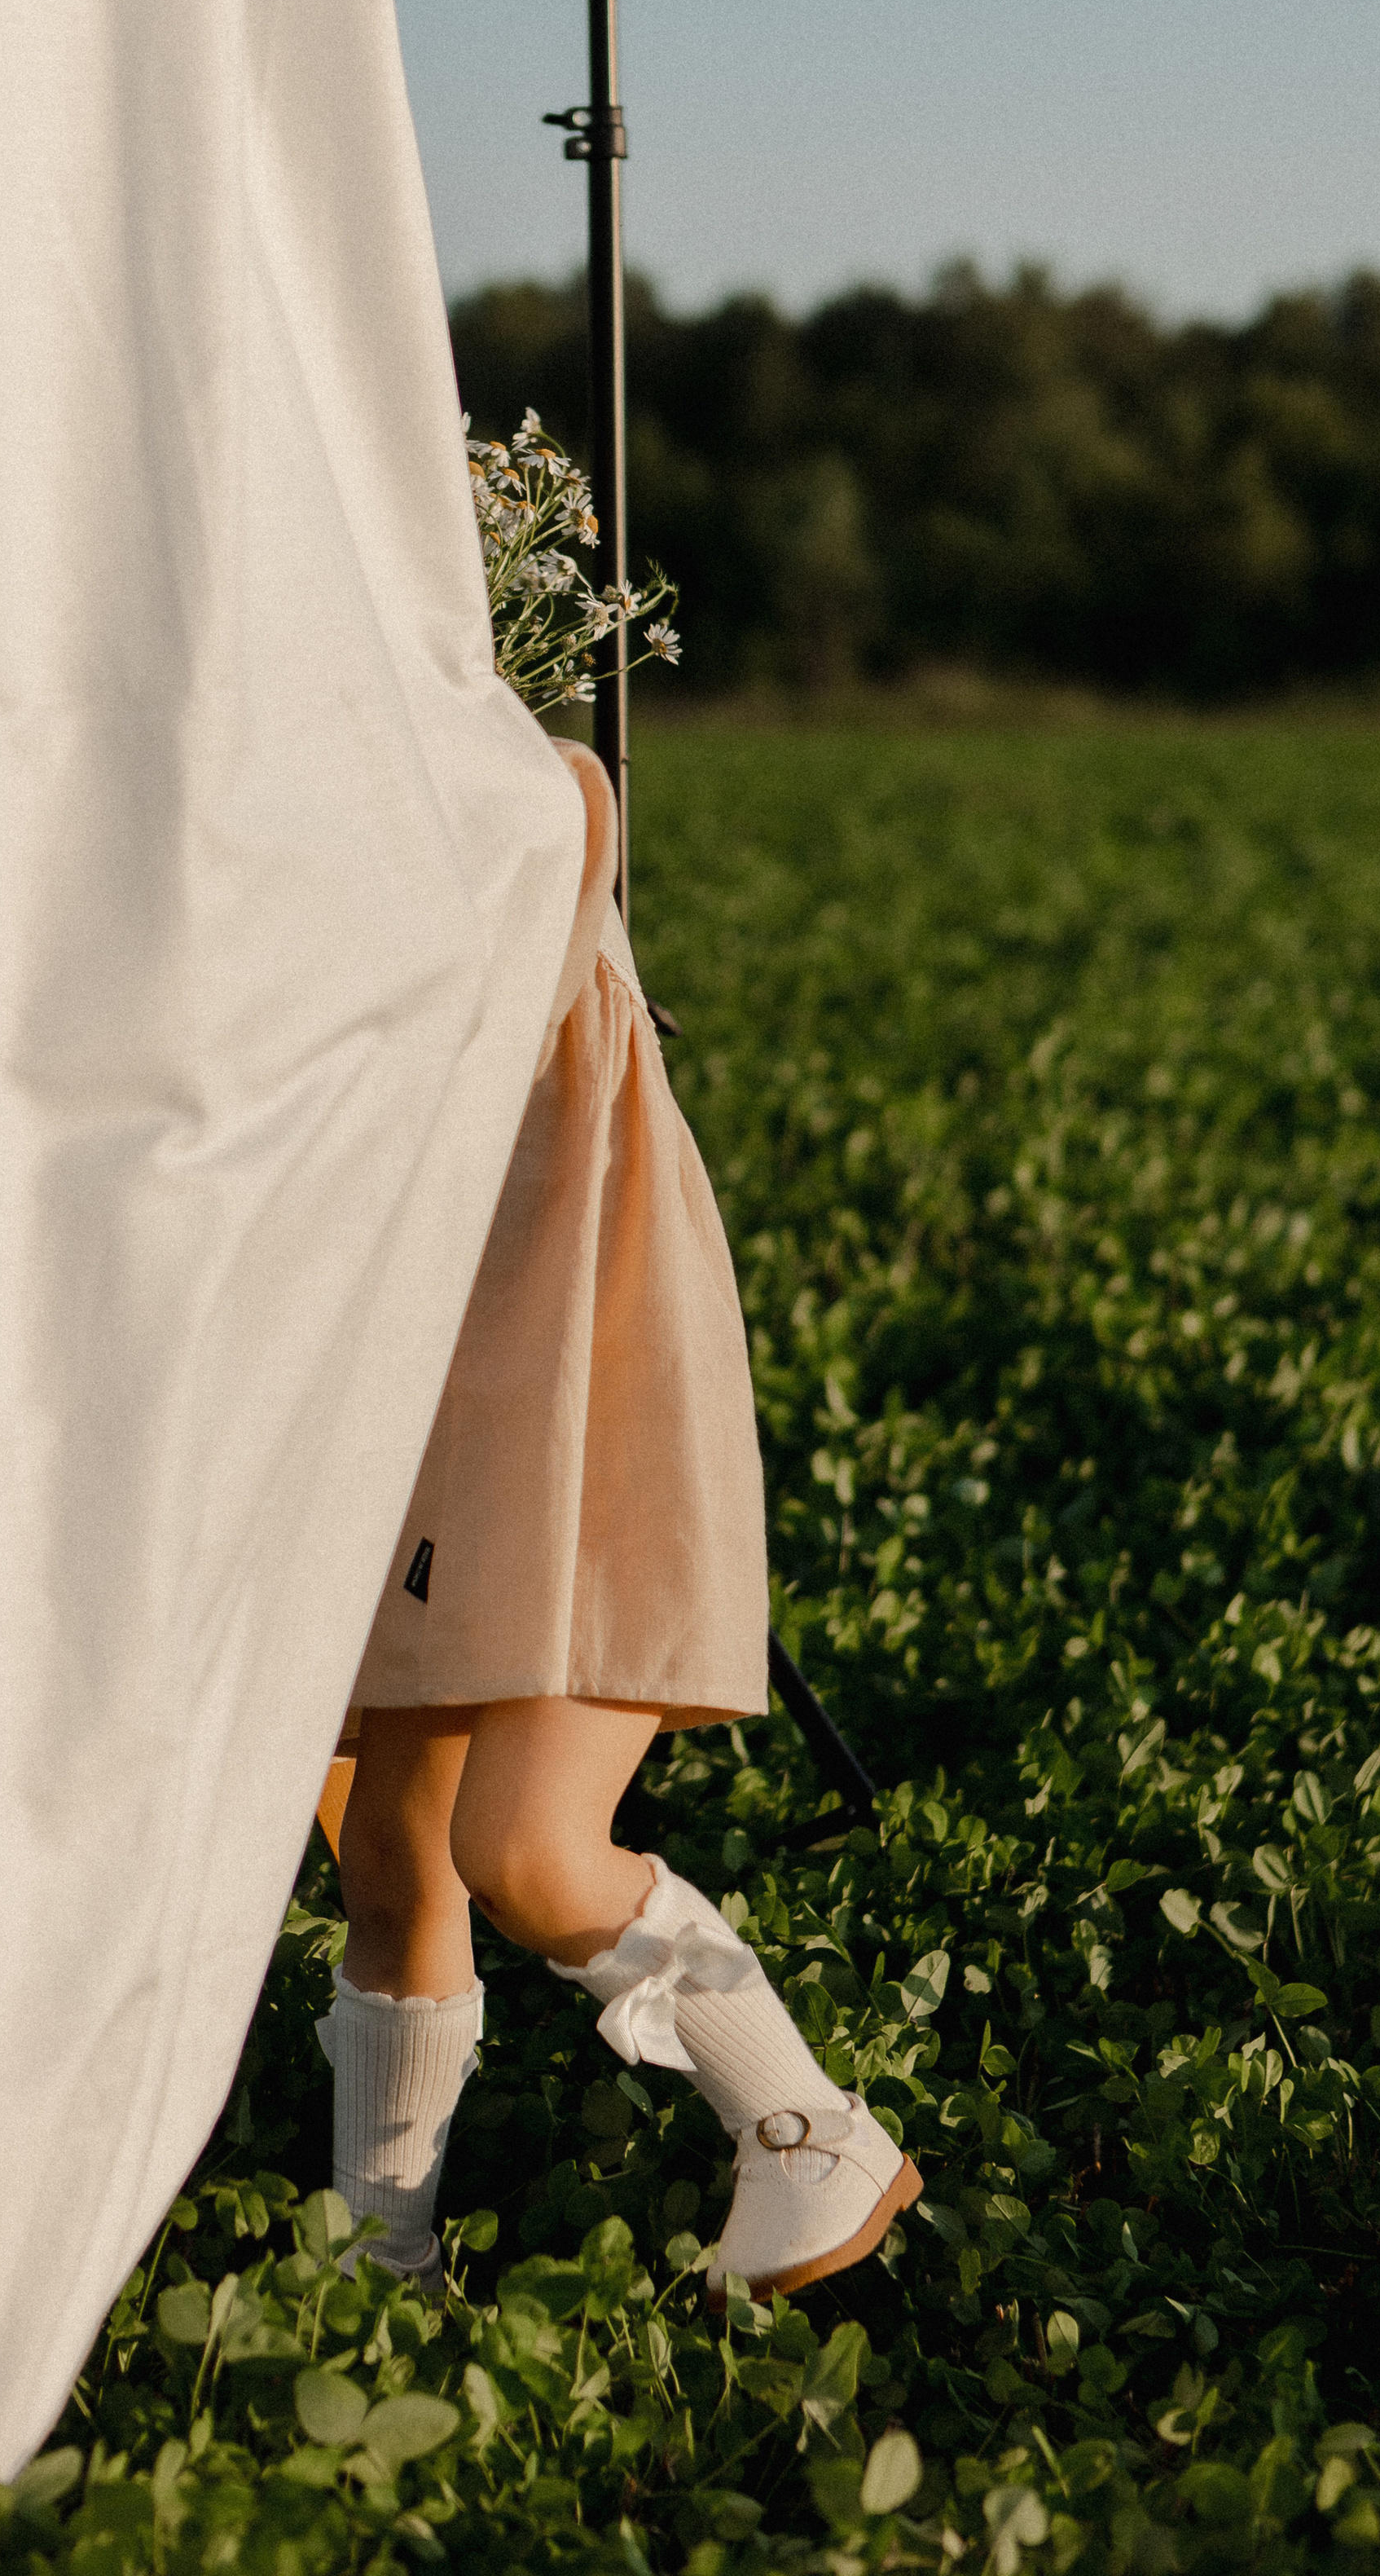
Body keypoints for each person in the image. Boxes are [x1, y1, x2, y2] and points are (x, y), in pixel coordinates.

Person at [319, 740, 919, 2300]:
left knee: (522, 1843)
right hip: (448, 1413)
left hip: (593, 1406)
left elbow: (543, 835)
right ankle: (382, 2260)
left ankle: (808, 2130)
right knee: (393, 1854)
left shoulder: (531, 800)